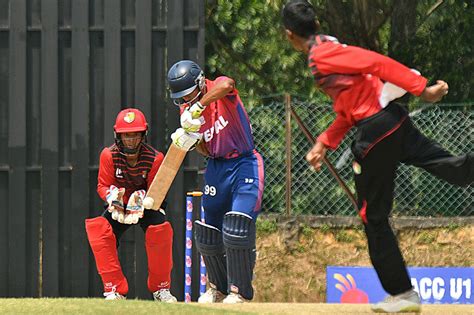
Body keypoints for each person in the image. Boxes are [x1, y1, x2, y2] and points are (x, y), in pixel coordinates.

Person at [282, 1, 473, 313]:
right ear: (315, 24)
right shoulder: (326, 46)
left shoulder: (322, 55)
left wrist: (421, 89)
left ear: (290, 35)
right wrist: (325, 141)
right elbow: (349, 104)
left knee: (373, 217)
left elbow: (375, 62)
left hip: (375, 132)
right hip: (392, 121)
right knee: (454, 170)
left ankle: (402, 293)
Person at [167, 60, 265, 304]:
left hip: (244, 162)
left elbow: (227, 84)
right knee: (208, 229)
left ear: (200, 83)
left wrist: (199, 106)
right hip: (216, 166)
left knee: (237, 225)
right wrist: (191, 140)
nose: (186, 101)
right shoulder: (186, 110)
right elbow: (205, 148)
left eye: (189, 94)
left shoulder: (218, 91)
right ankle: (217, 289)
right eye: (182, 98)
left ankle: (239, 291)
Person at [85, 108, 177, 302]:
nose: (131, 141)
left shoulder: (155, 158)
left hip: (146, 205)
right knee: (99, 231)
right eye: (126, 136)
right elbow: (102, 185)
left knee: (160, 231)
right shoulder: (108, 155)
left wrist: (144, 199)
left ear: (143, 135)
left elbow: (156, 189)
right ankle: (114, 290)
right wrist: (111, 196)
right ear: (118, 135)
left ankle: (161, 289)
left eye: (135, 136)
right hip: (119, 205)